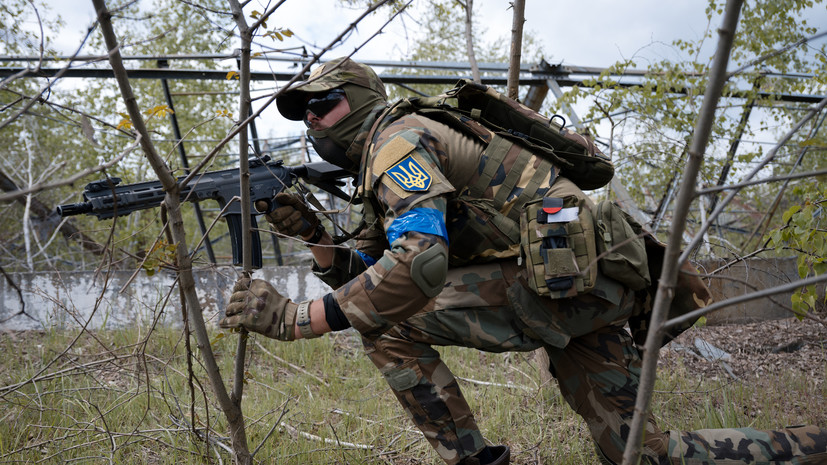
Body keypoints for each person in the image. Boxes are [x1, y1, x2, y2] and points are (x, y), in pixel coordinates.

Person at [220, 57, 827, 465]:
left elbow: (418, 267)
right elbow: (372, 269)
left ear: (353, 102)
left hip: (558, 285)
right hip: (585, 286)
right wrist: (312, 234)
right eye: (302, 115)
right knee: (636, 450)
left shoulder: (396, 141)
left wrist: (299, 318)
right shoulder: (401, 144)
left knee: (385, 321)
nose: (311, 122)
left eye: (319, 107)